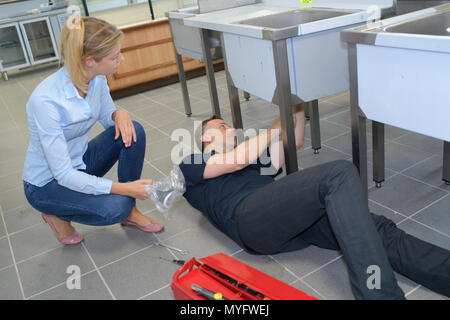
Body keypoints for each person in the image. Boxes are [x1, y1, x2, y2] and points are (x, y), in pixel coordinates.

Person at [178, 104, 450, 300]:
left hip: (288, 223)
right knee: (337, 174)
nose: (232, 129)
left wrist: (295, 98)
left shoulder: (253, 162)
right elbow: (236, 159)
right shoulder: (191, 163)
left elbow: (293, 140)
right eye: (222, 126)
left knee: (379, 229)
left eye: (230, 126)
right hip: (249, 220)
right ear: (205, 137)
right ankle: (380, 295)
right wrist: (271, 131)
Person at [22, 16, 163, 245]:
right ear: (89, 61)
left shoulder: (96, 79)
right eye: (114, 57)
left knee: (133, 131)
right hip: (46, 184)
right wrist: (123, 188)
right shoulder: (46, 101)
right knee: (116, 206)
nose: (121, 59)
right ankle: (57, 214)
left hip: (79, 162)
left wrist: (119, 114)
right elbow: (64, 175)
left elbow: (109, 118)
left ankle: (130, 212)